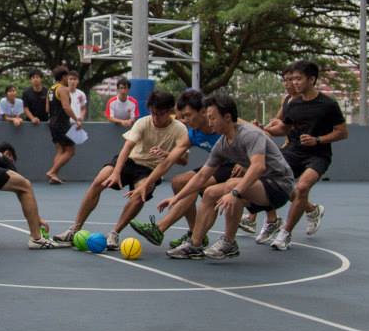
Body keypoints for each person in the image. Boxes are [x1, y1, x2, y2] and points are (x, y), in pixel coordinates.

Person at [164, 93, 295, 260]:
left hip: (279, 185)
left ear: (227, 117)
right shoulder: (222, 143)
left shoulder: (250, 134)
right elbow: (203, 175)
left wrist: (235, 192)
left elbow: (258, 166)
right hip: (258, 186)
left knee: (232, 184)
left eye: (212, 118)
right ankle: (194, 244)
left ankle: (228, 242)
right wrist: (177, 198)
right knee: (210, 192)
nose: (209, 123)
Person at [53, 90, 190, 250]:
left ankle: (115, 233)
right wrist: (116, 172)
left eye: (159, 114)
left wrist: (167, 154)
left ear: (170, 112)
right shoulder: (143, 122)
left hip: (149, 170)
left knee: (141, 194)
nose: (155, 118)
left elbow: (183, 160)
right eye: (153, 113)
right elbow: (126, 148)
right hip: (129, 161)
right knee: (99, 180)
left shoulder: (180, 129)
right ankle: (74, 229)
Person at [128, 89, 233, 249]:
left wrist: (244, 162)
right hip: (217, 165)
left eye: (188, 115)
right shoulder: (193, 133)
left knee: (194, 185)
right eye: (182, 116)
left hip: (234, 166)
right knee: (178, 182)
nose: (185, 120)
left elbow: (258, 135)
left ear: (203, 111)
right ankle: (194, 232)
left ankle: (159, 228)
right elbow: (168, 160)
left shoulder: (224, 122)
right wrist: (147, 183)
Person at [262, 60, 348, 250]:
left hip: (318, 155)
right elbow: (283, 128)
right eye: (292, 79)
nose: (294, 83)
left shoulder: (328, 104)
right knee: (266, 176)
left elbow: (342, 132)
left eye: (298, 79)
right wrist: (262, 129)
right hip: (293, 151)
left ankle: (285, 233)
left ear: (312, 79)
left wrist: (318, 140)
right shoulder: (292, 104)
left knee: (301, 188)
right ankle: (298, 213)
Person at [239, 65, 296, 235]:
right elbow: (278, 122)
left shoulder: (307, 103)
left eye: (292, 79)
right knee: (264, 179)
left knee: (289, 189)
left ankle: (305, 210)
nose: (288, 84)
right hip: (287, 149)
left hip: (301, 151)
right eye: (285, 80)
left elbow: (286, 127)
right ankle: (262, 218)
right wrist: (261, 128)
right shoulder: (286, 100)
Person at [45, 67, 83, 184]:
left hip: (52, 123)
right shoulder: (63, 89)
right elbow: (66, 107)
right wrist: (76, 119)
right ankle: (52, 171)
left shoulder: (51, 89)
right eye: (67, 76)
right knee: (71, 151)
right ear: (63, 77)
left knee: (61, 150)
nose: (69, 79)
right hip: (62, 123)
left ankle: (54, 176)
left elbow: (47, 108)